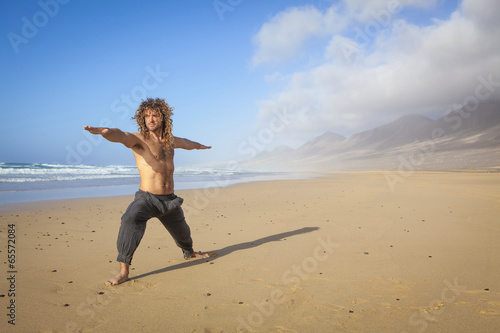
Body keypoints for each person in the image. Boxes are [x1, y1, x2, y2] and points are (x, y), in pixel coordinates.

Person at [84, 97, 211, 286]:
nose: (151, 119)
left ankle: (189, 252)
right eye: (147, 116)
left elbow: (186, 142)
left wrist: (199, 146)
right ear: (142, 119)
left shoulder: (170, 141)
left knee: (183, 232)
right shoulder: (139, 139)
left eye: (155, 115)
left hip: (169, 200)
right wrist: (106, 132)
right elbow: (121, 136)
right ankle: (123, 271)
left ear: (163, 118)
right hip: (147, 199)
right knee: (130, 218)